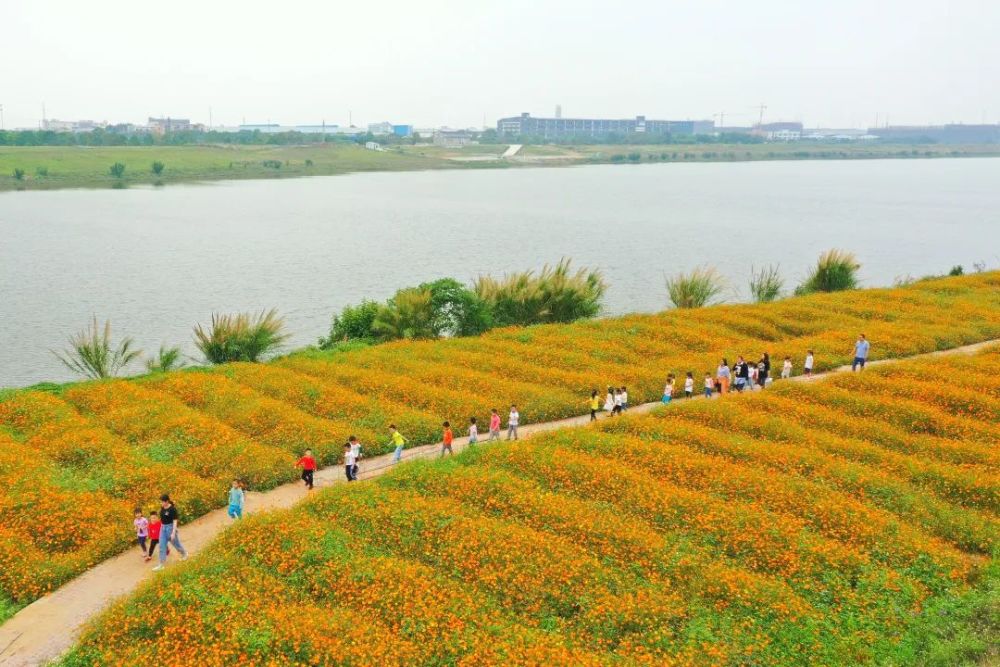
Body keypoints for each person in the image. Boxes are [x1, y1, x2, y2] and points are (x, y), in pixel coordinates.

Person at [153, 494, 187, 571]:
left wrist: (173, 532)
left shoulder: (172, 509)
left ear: (167, 501)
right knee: (161, 546)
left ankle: (184, 553)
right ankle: (161, 564)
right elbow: (162, 519)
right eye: (160, 502)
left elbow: (175, 521)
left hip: (170, 528)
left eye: (162, 502)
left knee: (176, 544)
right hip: (163, 528)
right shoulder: (162, 507)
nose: (161, 503)